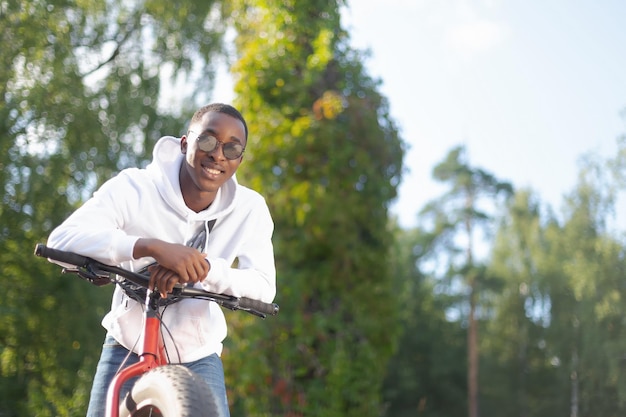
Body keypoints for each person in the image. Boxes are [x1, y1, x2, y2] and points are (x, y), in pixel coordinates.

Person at [47, 103, 276, 417]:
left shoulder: (250, 209)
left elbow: (264, 285)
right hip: (127, 345)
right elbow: (63, 238)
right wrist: (149, 247)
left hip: (197, 354)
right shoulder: (135, 187)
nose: (218, 155)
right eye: (207, 141)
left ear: (240, 158)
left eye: (232, 148)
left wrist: (202, 269)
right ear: (185, 143)